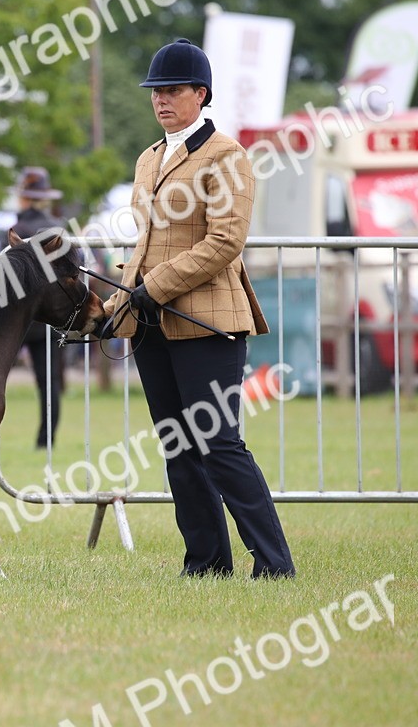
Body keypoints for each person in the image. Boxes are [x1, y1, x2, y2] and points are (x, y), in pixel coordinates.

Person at [100, 38, 294, 578]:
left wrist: (155, 287)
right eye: (155, 91)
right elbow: (145, 243)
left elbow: (225, 241)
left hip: (206, 321)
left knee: (219, 444)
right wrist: (115, 304)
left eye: (173, 90)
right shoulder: (148, 158)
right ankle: (206, 563)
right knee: (177, 448)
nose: (161, 99)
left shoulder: (227, 156)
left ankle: (275, 563)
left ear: (201, 94)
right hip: (151, 323)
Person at [6, 167, 66, 448]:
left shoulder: (16, 231)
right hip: (50, 318)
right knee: (49, 382)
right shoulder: (59, 229)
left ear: (24, 198)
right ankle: (46, 441)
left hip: (18, 319)